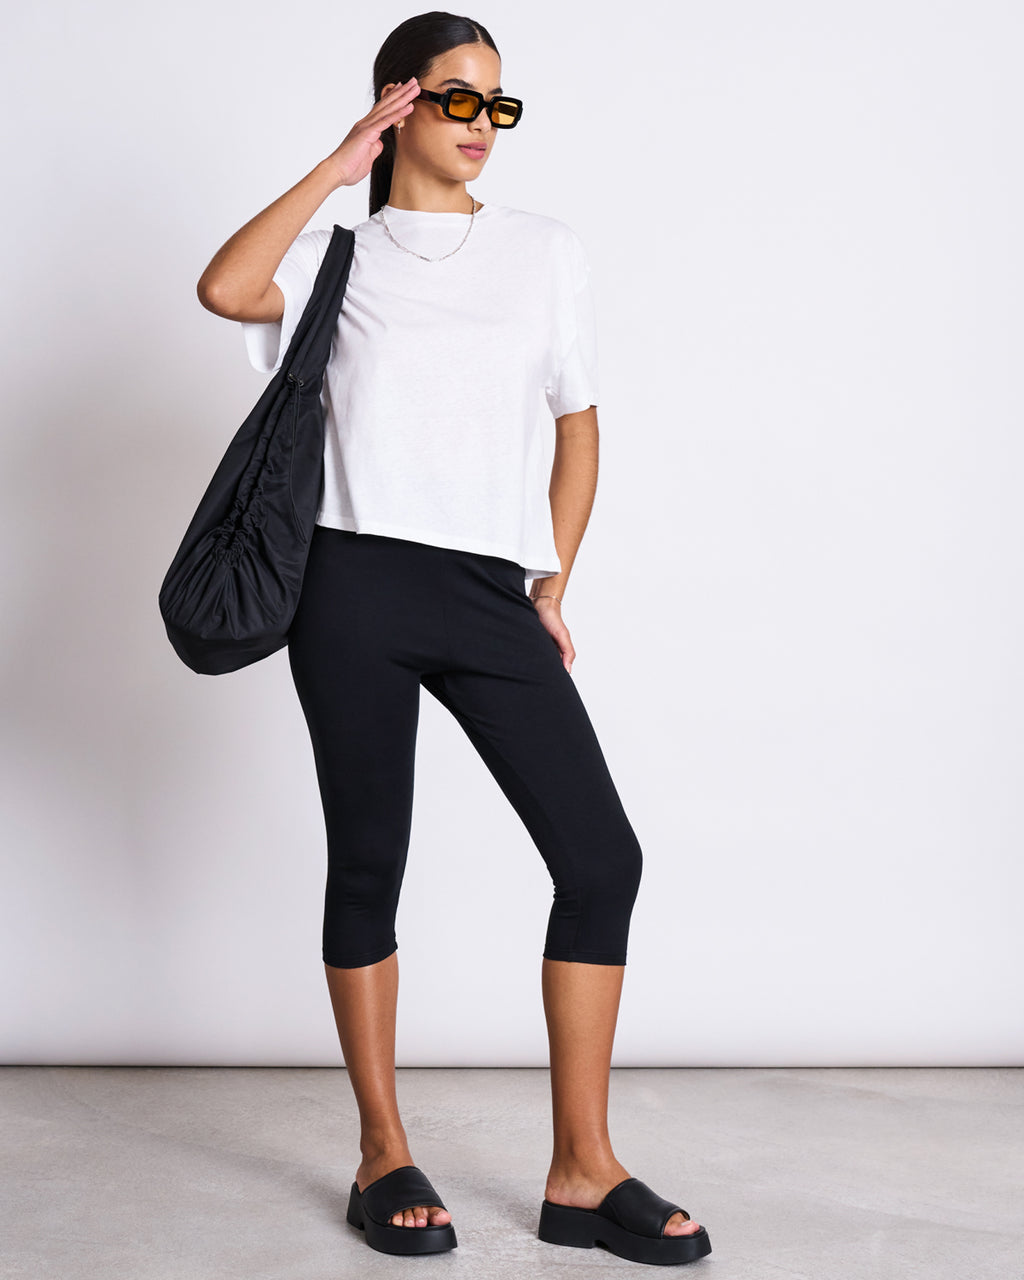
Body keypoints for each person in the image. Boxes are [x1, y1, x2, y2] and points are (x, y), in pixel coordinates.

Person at [196, 10, 710, 1268]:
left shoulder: (543, 252)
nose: (483, 126)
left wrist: (550, 574)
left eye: (499, 105)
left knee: (601, 857)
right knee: (369, 861)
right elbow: (222, 288)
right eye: (458, 100)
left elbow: (577, 421)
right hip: (351, 584)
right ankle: (382, 1146)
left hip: (489, 590)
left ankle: (582, 1170)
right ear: (400, 103)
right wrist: (336, 163)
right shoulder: (334, 253)